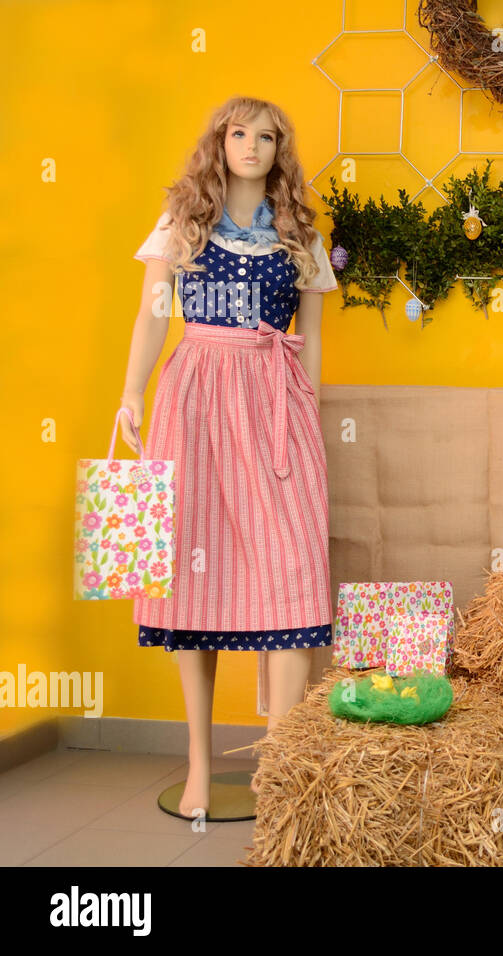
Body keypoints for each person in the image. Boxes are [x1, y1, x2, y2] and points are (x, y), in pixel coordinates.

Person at [120, 96, 338, 819]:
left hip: (273, 400)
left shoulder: (299, 236)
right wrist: (131, 398)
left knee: (291, 567)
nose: (251, 145)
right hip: (194, 401)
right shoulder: (183, 223)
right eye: (239, 133)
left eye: (266, 136)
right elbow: (154, 320)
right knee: (191, 567)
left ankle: (277, 774)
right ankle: (196, 767)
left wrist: (306, 416)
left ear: (281, 149)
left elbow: (309, 344)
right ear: (219, 142)